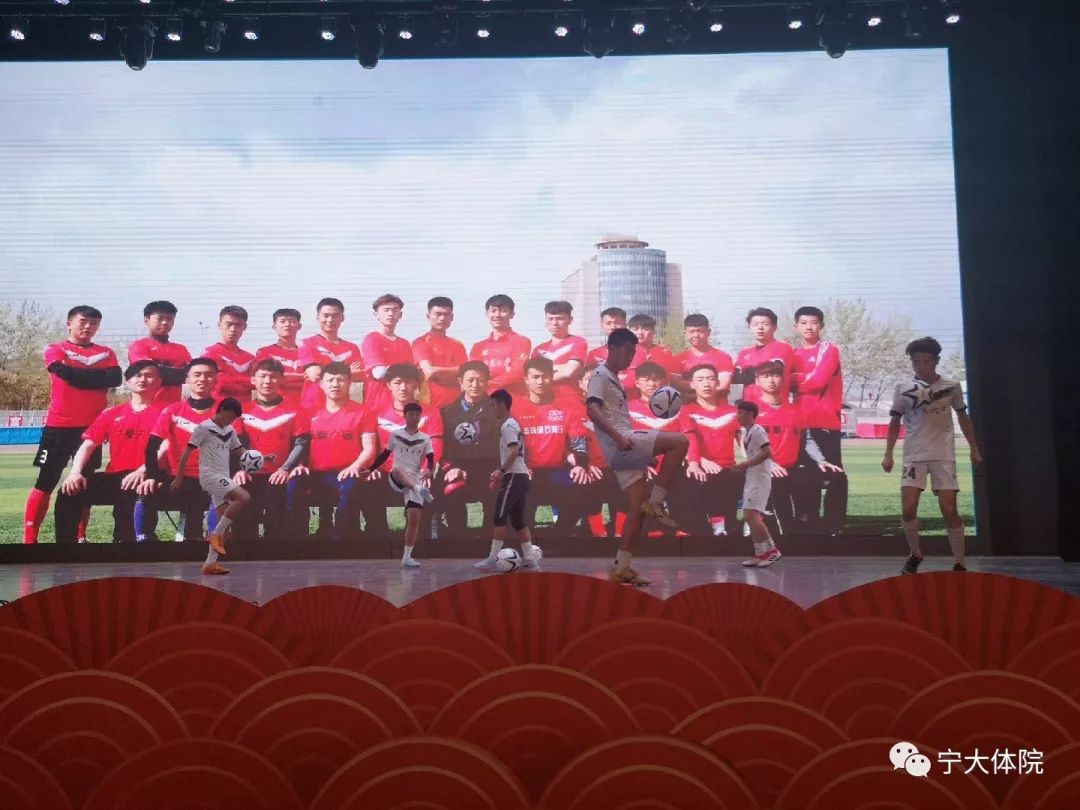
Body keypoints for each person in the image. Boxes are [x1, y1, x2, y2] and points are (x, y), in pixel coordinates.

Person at [586, 329, 689, 585]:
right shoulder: (600, 375)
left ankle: (622, 568)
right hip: (622, 442)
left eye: (634, 353)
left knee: (637, 509)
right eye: (628, 352)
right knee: (681, 442)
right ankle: (657, 501)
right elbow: (592, 409)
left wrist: (643, 454)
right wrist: (619, 438)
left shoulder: (614, 378)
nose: (631, 357)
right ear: (613, 348)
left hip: (624, 449)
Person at [883, 337, 982, 574]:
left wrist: (974, 449)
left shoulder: (951, 386)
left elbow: (963, 417)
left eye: (926, 362)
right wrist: (888, 454)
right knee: (908, 508)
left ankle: (960, 563)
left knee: (949, 510)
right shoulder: (903, 388)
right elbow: (895, 422)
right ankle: (915, 553)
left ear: (936, 361)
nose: (922, 367)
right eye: (916, 362)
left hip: (943, 455)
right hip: (914, 455)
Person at [24, 305, 121, 544]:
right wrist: (97, 379)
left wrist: (77, 375)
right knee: (46, 481)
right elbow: (64, 374)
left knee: (84, 483)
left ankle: (80, 536)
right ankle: (30, 540)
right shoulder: (55, 348)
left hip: (91, 429)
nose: (88, 327)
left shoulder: (106, 352)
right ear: (69, 323)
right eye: (83, 321)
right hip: (58, 427)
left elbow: (115, 378)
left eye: (94, 323)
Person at [55, 360, 162, 544]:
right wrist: (75, 473)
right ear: (128, 381)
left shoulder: (166, 413)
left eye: (149, 375)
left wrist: (143, 470)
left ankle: (124, 542)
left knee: (131, 490)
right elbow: (87, 445)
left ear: (159, 382)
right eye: (137, 375)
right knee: (69, 491)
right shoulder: (112, 413)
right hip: (116, 476)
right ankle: (65, 548)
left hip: (150, 475)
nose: (142, 379)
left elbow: (168, 448)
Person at [285, 362, 377, 540]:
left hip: (347, 472)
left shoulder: (363, 412)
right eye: (330, 380)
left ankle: (340, 538)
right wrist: (299, 464)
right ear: (321, 384)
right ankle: (296, 539)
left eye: (341, 380)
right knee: (295, 482)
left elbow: (369, 448)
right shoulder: (308, 412)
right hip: (315, 473)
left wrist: (355, 467)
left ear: (350, 383)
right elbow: (300, 444)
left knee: (350, 485)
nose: (335, 384)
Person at [140, 358, 222, 543]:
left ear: (216, 379)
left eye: (209, 375)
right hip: (178, 478)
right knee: (145, 490)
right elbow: (151, 447)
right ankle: (144, 542)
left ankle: (214, 541)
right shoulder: (172, 410)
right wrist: (152, 475)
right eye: (197, 375)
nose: (202, 379)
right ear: (187, 379)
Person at [512, 357, 591, 536]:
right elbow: (507, 443)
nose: (540, 381)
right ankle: (526, 539)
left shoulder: (567, 407)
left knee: (583, 484)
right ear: (526, 379)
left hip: (557, 471)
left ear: (552, 377)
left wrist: (581, 464)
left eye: (545, 376)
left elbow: (578, 440)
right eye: (535, 377)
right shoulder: (514, 408)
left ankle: (558, 535)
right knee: (515, 489)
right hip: (527, 470)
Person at [233, 358, 310, 540]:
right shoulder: (241, 412)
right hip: (252, 474)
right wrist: (239, 469)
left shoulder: (296, 410)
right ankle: (244, 547)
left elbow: (301, 444)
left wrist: (285, 469)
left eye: (274, 376)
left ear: (281, 380)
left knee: (278, 521)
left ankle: (283, 546)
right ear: (253, 380)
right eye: (263, 376)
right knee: (240, 501)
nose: (268, 381)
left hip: (282, 474)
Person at [365, 363, 445, 537]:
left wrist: (426, 469)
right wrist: (372, 466)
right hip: (387, 472)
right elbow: (369, 445)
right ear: (388, 385)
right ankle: (378, 538)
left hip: (419, 471)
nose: (403, 387)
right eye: (397, 382)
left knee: (424, 490)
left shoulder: (430, 412)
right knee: (367, 487)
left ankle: (421, 537)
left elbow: (435, 444)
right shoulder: (376, 413)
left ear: (416, 384)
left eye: (408, 382)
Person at [174, 398, 251, 575]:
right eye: (230, 417)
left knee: (226, 525)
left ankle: (210, 563)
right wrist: (178, 478)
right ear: (222, 410)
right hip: (210, 476)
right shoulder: (204, 428)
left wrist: (261, 457)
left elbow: (241, 451)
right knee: (244, 497)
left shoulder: (230, 430)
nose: (231, 421)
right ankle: (215, 535)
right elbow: (186, 453)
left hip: (223, 477)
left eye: (233, 419)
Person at [790, 306, 848, 533]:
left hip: (824, 422)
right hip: (800, 424)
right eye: (803, 323)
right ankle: (808, 520)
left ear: (821, 326)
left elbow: (818, 381)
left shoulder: (828, 349)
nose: (808, 327)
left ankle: (834, 524)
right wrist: (801, 378)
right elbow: (783, 380)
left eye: (813, 322)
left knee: (833, 474)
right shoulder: (794, 354)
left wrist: (795, 379)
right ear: (796, 326)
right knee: (804, 474)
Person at [473, 389, 540, 572]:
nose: (492, 408)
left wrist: (501, 471)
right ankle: (531, 560)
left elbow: (514, 451)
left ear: (502, 405)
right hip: (519, 477)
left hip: (514, 477)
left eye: (493, 405)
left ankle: (492, 559)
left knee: (499, 517)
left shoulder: (508, 426)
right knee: (518, 521)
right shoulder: (512, 424)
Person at [364, 402, 436, 568]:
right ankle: (419, 489)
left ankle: (407, 557)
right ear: (405, 416)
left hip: (415, 479)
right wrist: (370, 469)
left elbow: (431, 458)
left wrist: (429, 470)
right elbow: (385, 455)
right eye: (411, 414)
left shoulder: (425, 438)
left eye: (417, 414)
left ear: (420, 417)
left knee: (414, 519)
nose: (414, 417)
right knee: (397, 470)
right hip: (397, 478)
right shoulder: (396, 434)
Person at [680, 364, 742, 537]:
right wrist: (700, 461)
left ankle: (744, 527)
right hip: (701, 467)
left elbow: (744, 441)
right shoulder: (686, 411)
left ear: (717, 383)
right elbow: (688, 440)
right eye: (700, 380)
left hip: (729, 467)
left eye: (710, 379)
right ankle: (717, 528)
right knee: (708, 482)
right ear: (692, 384)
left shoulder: (732, 412)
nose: (706, 384)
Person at [439, 361, 500, 536]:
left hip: (490, 469)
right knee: (453, 488)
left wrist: (500, 468)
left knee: (500, 488)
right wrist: (451, 468)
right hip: (459, 469)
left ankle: (490, 538)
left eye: (480, 380)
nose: (475, 385)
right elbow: (441, 447)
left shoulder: (499, 411)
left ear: (487, 382)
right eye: (470, 380)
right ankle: (459, 538)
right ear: (461, 382)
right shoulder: (447, 413)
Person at [628, 362, 686, 536]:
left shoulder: (676, 408)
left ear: (664, 382)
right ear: (637, 383)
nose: (651, 384)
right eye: (646, 380)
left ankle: (683, 530)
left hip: (673, 468)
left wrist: (692, 461)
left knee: (688, 488)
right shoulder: (627, 409)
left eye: (656, 379)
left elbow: (687, 437)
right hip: (642, 468)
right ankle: (653, 531)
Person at [734, 400, 782, 567]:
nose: (738, 416)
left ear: (750, 414)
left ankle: (772, 551)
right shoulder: (747, 432)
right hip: (752, 476)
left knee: (751, 515)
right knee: (748, 515)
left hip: (760, 478)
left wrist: (747, 464)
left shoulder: (757, 431)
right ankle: (760, 554)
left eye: (740, 413)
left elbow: (767, 452)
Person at [298, 297, 364, 411]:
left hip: (342, 408)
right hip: (313, 406)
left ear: (342, 318)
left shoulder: (352, 348)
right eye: (326, 315)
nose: (330, 320)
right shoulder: (307, 343)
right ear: (318, 317)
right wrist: (348, 370)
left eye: (335, 315)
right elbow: (315, 375)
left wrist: (324, 369)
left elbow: (359, 376)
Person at [128, 300, 191, 404]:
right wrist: (181, 374)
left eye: (169, 319)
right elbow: (149, 373)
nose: (165, 322)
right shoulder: (139, 346)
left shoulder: (181, 349)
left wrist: (162, 372)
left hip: (174, 407)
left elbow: (192, 375)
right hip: (147, 405)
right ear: (146, 320)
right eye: (160, 318)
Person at [470, 294, 531, 397]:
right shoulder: (478, 347)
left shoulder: (522, 342)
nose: (497, 315)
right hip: (485, 400)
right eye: (493, 311)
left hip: (514, 400)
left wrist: (485, 383)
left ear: (512, 314)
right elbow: (473, 374)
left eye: (503, 311)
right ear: (487, 314)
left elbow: (517, 373)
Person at [412, 296, 468, 410]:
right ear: (428, 316)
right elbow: (429, 372)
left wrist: (439, 373)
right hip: (430, 405)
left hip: (456, 405)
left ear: (452, 317)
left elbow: (465, 374)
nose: (442, 318)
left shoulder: (458, 345)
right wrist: (455, 373)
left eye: (446, 314)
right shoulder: (420, 342)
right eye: (437, 314)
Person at [361, 294, 415, 412]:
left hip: (402, 404)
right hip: (377, 402)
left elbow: (412, 374)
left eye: (395, 310)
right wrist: (403, 370)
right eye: (386, 310)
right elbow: (379, 373)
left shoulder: (405, 344)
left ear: (400, 315)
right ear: (376, 314)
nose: (390, 314)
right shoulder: (371, 339)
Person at [733, 307, 795, 404]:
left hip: (774, 405)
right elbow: (736, 377)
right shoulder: (744, 353)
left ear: (774, 327)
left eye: (765, 324)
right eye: (755, 324)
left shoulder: (783, 348)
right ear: (749, 327)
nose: (760, 328)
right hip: (750, 406)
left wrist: (749, 372)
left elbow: (770, 371)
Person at [532, 300, 589, 399]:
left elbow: (569, 371)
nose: (555, 323)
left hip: (571, 399)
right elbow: (533, 378)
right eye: (550, 319)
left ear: (570, 320)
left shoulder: (578, 342)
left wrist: (543, 373)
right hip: (544, 401)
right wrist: (561, 368)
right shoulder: (538, 350)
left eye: (560, 318)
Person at [202, 305, 256, 401]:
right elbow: (220, 383)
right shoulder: (210, 353)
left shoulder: (250, 358)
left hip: (246, 407)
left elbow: (257, 384)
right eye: (228, 324)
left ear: (245, 327)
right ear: (219, 325)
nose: (233, 329)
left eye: (238, 324)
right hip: (219, 407)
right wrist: (248, 380)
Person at [255, 308, 305, 408]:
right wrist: (303, 377)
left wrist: (283, 377)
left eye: (292, 321)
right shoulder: (265, 352)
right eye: (282, 321)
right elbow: (265, 380)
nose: (287, 324)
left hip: (304, 405)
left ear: (299, 326)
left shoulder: (307, 353)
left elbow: (314, 379)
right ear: (274, 327)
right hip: (276, 406)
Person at [674, 314, 734, 397]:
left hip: (717, 404)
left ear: (708, 332)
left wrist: (695, 391)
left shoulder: (723, 357)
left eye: (700, 331)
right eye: (692, 331)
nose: (696, 335)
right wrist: (707, 386)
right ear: (685, 333)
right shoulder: (678, 359)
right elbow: (675, 383)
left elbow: (723, 385)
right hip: (687, 404)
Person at [585, 307, 646, 390]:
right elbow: (588, 379)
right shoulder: (594, 354)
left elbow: (632, 380)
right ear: (602, 326)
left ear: (625, 325)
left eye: (617, 323)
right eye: (608, 323)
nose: (613, 327)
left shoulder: (638, 351)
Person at [628, 314, 681, 379]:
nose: (640, 333)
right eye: (635, 329)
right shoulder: (624, 352)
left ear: (654, 332)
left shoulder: (664, 352)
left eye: (645, 329)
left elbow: (675, 375)